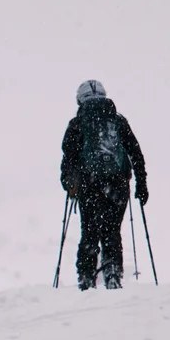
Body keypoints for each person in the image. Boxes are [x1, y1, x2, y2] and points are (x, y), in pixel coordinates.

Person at [59, 80, 149, 290]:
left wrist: (70, 185)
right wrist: (141, 184)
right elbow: (136, 153)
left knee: (89, 231)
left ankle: (87, 278)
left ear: (80, 99)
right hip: (117, 186)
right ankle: (113, 274)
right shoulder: (118, 121)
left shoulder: (77, 124)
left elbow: (68, 160)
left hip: (89, 186)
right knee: (112, 231)